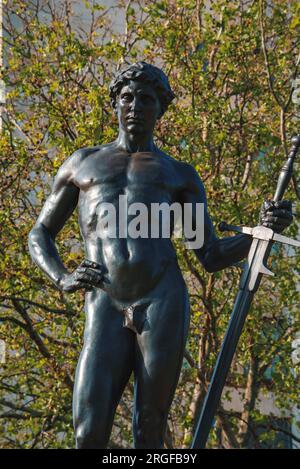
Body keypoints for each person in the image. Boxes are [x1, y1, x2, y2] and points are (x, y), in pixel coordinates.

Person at [28, 62, 293, 449]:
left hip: (160, 299)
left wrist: (264, 232)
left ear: (161, 108)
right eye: (127, 98)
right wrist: (62, 277)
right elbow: (40, 233)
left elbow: (211, 253)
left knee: (150, 427)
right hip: (104, 300)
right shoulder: (82, 164)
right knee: (87, 431)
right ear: (115, 105)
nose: (135, 106)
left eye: (146, 99)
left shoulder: (177, 175)